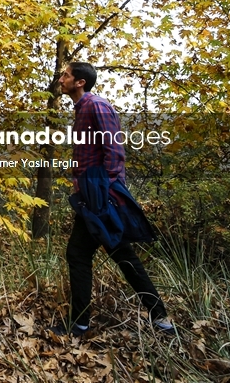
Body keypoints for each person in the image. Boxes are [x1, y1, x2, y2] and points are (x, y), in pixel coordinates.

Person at [50, 61, 177, 337]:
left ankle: (80, 324)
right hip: (90, 193)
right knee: (119, 254)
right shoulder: (81, 108)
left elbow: (114, 150)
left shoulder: (97, 106)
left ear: (80, 82)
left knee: (80, 253)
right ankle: (160, 318)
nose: (61, 79)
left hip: (101, 195)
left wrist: (103, 190)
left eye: (66, 75)